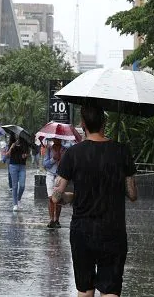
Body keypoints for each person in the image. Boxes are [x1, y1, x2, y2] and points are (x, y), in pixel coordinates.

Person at [52, 106, 137, 297]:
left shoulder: (73, 153)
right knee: (110, 290)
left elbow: (57, 197)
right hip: (113, 231)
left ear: (83, 124)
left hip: (82, 232)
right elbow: (132, 195)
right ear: (104, 123)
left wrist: (69, 197)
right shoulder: (122, 151)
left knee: (85, 288)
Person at [43, 138, 67, 228]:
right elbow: (45, 164)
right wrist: (53, 159)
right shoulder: (49, 149)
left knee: (58, 198)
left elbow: (68, 164)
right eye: (55, 138)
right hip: (50, 175)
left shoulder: (65, 150)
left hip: (60, 176)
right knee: (50, 198)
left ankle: (57, 220)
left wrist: (62, 160)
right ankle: (51, 219)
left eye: (59, 139)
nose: (57, 140)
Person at [5, 136, 29, 212]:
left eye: (18, 135)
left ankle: (19, 199)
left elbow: (27, 154)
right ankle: (15, 204)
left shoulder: (24, 144)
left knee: (22, 185)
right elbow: (7, 155)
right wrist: (11, 147)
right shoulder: (10, 144)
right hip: (13, 166)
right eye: (15, 135)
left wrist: (25, 155)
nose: (17, 137)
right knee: (14, 186)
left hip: (22, 166)